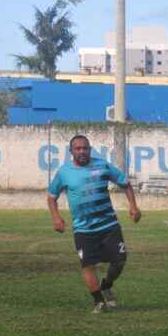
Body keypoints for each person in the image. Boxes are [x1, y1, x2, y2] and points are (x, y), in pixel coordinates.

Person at [47, 135, 142, 314]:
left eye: (85, 148)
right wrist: (56, 218)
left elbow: (125, 184)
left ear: (90, 149)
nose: (82, 151)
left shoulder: (102, 165)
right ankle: (98, 301)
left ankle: (106, 286)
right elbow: (52, 197)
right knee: (88, 265)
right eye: (78, 148)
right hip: (83, 229)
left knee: (120, 260)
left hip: (109, 225)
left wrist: (133, 207)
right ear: (71, 152)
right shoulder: (64, 172)